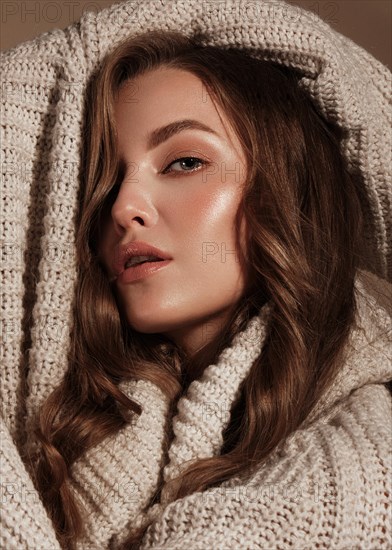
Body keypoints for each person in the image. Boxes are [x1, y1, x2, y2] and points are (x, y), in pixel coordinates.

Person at [1, 1, 391, 549]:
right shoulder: (91, 434)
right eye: (107, 180)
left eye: (184, 162)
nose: (123, 207)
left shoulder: (361, 472)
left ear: (290, 190)